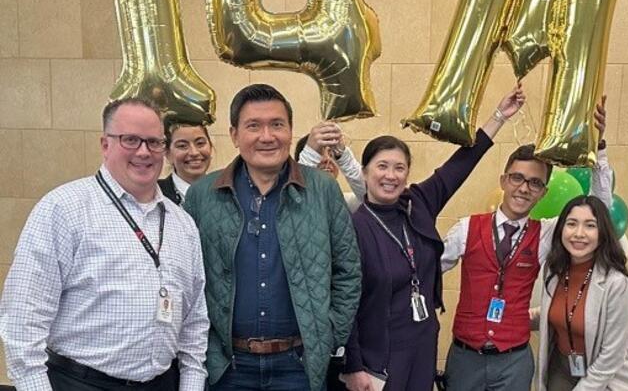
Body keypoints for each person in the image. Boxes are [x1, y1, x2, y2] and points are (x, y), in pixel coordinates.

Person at [0, 98, 209, 391]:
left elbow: (195, 322)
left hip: (163, 383)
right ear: (105, 144)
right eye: (130, 140)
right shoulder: (63, 209)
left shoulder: (181, 224)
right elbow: (23, 321)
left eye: (154, 142)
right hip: (81, 383)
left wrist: (191, 385)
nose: (144, 152)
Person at [342, 85, 526, 391]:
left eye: (399, 167)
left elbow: (460, 166)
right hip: (378, 359)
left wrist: (498, 117)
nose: (391, 175)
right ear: (364, 173)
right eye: (382, 166)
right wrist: (354, 366)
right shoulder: (354, 227)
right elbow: (344, 305)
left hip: (423, 346)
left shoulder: (419, 203)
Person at [183, 83, 361, 391]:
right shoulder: (202, 196)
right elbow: (186, 279)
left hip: (298, 366)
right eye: (254, 126)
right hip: (227, 367)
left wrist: (328, 334)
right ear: (235, 135)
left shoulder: (322, 190)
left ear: (290, 131)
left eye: (277, 125)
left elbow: (348, 271)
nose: (267, 136)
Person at [441, 97, 613, 391]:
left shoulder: (546, 233)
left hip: (514, 363)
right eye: (517, 178)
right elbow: (424, 267)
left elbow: (598, 211)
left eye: (534, 182)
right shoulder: (467, 227)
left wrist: (598, 151)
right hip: (464, 358)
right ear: (504, 180)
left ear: (543, 193)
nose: (523, 188)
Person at [533, 195, 628, 390]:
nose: (579, 233)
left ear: (602, 232)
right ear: (561, 229)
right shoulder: (553, 271)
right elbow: (563, 315)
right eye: (571, 224)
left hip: (608, 377)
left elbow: (612, 355)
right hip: (561, 370)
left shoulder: (617, 283)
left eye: (590, 225)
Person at [295, 121, 365, 209]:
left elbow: (371, 195)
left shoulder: (347, 204)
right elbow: (297, 195)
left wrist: (343, 157)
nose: (327, 159)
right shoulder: (288, 203)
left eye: (331, 153)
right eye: (318, 154)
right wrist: (310, 154)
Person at [160, 123, 214, 205]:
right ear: (167, 153)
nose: (194, 153)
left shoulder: (226, 194)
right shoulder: (155, 195)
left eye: (200, 143)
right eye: (182, 146)